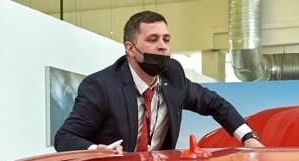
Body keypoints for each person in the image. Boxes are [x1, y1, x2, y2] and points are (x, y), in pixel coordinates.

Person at [54, 10, 266, 153]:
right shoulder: (101, 86)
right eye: (152, 39)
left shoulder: (174, 76)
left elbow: (216, 104)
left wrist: (248, 137)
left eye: (166, 39)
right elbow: (64, 137)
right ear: (130, 49)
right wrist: (95, 150)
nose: (163, 46)